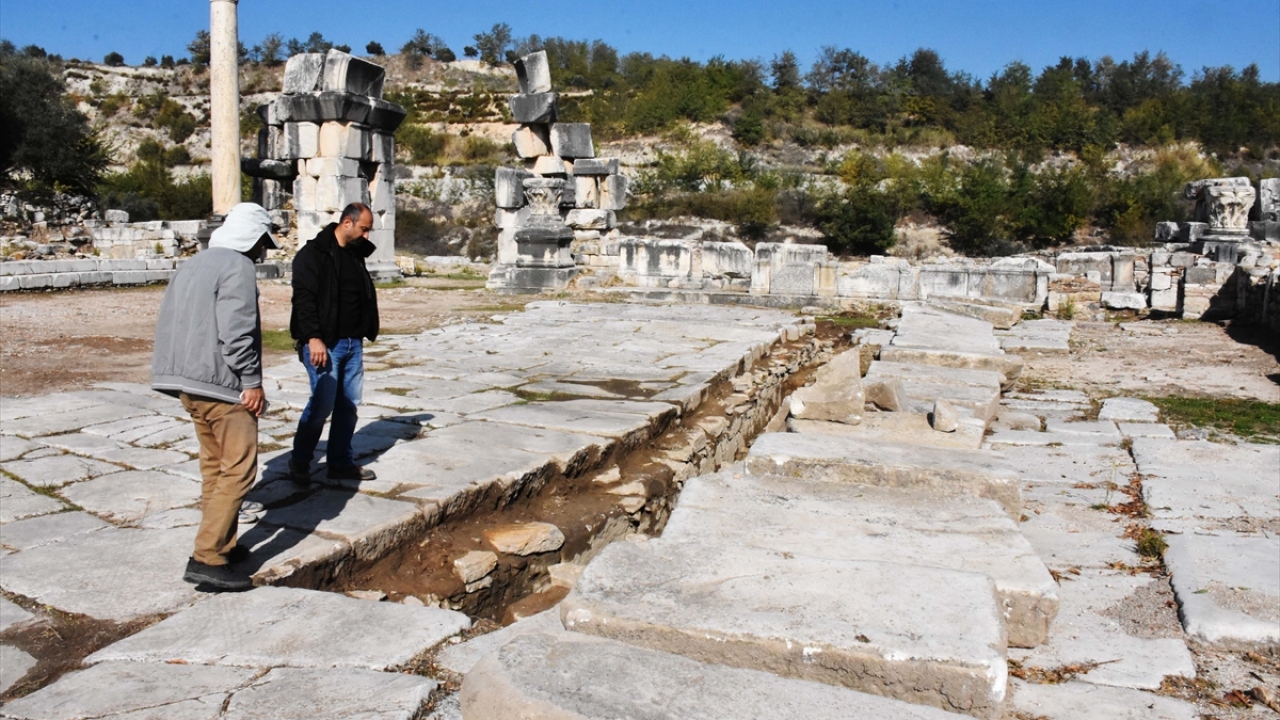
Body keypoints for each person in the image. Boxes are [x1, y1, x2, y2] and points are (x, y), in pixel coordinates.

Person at [152, 202, 278, 592]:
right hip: (223, 387)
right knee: (239, 469)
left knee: (214, 467)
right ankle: (207, 557)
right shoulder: (237, 267)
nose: (264, 251)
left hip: (190, 384)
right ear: (253, 238)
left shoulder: (192, 264)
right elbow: (236, 332)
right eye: (263, 243)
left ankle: (223, 544)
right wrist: (252, 381)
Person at [288, 202, 380, 482]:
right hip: (325, 343)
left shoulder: (355, 255)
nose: (367, 236)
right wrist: (313, 338)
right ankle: (300, 461)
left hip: (353, 343)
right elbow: (303, 300)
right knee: (322, 404)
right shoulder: (312, 254)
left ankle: (340, 462)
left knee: (348, 405)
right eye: (364, 229)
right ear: (347, 223)